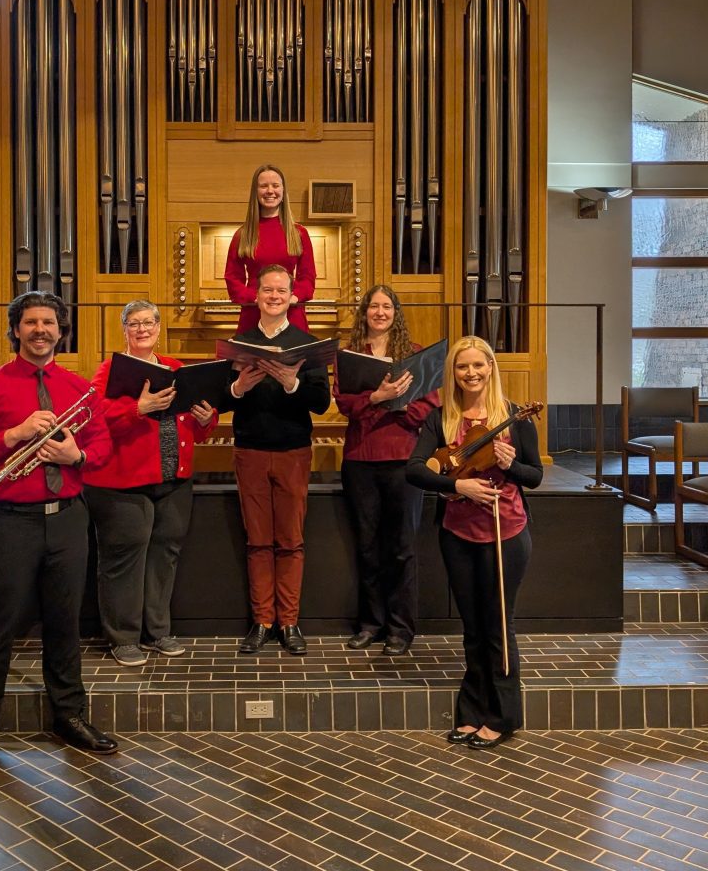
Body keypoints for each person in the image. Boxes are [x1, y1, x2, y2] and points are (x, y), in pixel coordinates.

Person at [0, 291, 118, 775]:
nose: (40, 330)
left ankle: (69, 717)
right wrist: (15, 434)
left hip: (67, 517)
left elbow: (102, 445)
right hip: (11, 521)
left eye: (49, 322)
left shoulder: (79, 389)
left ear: (61, 330)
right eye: (30, 323)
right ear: (16, 330)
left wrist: (78, 458)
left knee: (65, 624)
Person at [405, 336, 542, 750]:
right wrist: (458, 483)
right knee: (472, 628)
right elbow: (414, 469)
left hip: (506, 532)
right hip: (457, 534)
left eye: (478, 365)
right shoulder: (441, 419)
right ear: (454, 373)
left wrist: (509, 464)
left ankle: (502, 716)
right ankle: (471, 712)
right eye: (463, 367)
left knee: (498, 626)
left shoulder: (515, 417)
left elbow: (533, 476)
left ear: (490, 368)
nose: (471, 373)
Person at [85, 300, 217, 667]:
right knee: (125, 558)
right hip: (124, 482)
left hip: (174, 478)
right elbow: (93, 419)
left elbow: (198, 426)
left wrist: (207, 417)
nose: (142, 329)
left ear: (159, 328)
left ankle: (157, 631)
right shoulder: (111, 369)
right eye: (134, 323)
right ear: (124, 329)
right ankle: (123, 637)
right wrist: (137, 409)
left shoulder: (176, 368)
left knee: (164, 555)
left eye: (148, 323)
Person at [224, 264, 330, 655]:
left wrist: (293, 384)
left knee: (290, 540)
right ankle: (262, 621)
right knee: (257, 541)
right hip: (250, 448)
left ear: (291, 296)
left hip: (292, 450)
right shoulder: (241, 342)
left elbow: (321, 402)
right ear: (257, 296)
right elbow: (220, 398)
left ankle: (289, 622)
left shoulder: (307, 344)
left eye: (280, 290)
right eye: (267, 290)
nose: (273, 296)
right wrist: (238, 386)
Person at [334, 285, 439, 656]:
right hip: (360, 459)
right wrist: (377, 398)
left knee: (401, 547)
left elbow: (427, 407)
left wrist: (394, 405)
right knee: (367, 547)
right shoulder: (350, 357)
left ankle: (400, 628)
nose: (380, 312)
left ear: (396, 313)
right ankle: (371, 624)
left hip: (402, 460)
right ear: (365, 313)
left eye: (386, 306)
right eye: (373, 306)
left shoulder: (414, 356)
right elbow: (344, 403)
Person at [224, 164, 317, 334]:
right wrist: (256, 299)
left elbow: (308, 277)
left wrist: (291, 299)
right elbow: (232, 278)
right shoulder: (243, 234)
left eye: (275, 185)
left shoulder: (299, 233)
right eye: (263, 186)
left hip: (291, 313)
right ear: (256, 192)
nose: (270, 190)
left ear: (283, 191)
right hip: (254, 313)